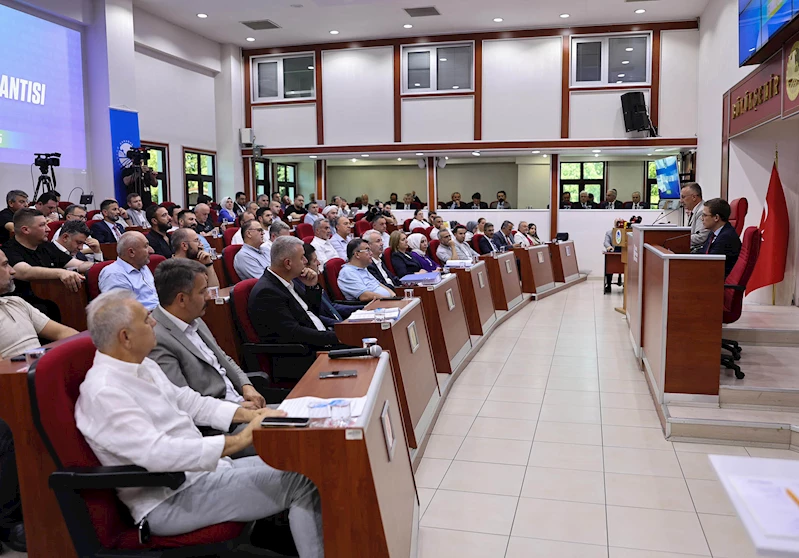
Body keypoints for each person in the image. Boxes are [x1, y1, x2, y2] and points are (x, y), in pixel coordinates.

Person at [74, 290, 323, 555]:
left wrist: (252, 416)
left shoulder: (142, 365)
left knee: (307, 464)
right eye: (146, 320)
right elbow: (158, 453)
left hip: (201, 475)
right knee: (303, 482)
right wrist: (240, 439)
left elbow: (191, 402)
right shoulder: (105, 391)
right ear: (125, 337)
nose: (154, 322)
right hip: (169, 498)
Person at [150, 258, 264, 412]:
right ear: (181, 299)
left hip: (242, 403)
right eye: (203, 291)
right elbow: (184, 404)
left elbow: (224, 358)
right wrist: (237, 408)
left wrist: (246, 386)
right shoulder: (156, 339)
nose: (208, 296)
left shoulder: (194, 318)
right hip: (222, 423)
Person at [249, 236, 348, 380]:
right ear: (288, 263)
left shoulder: (289, 281)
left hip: (319, 342)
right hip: (301, 357)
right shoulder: (267, 292)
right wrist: (337, 337)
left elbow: (310, 314)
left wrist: (312, 286)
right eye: (302, 257)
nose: (306, 262)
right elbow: (294, 333)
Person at [3, 209, 90, 314]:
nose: (48, 229)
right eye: (42, 225)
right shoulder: (8, 250)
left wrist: (98, 267)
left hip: (54, 299)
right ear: (26, 230)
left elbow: (79, 265)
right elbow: (24, 271)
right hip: (25, 307)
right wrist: (61, 272)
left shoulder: (46, 246)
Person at [0, 247, 79, 359]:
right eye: (5, 265)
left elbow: (62, 333)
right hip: (21, 374)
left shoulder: (16, 302)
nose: (12, 271)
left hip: (41, 369)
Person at [297, 244, 359, 326]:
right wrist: (342, 325)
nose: (319, 263)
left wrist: (361, 309)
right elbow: (316, 316)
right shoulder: (299, 288)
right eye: (315, 260)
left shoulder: (312, 280)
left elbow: (331, 307)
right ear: (305, 265)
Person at [98, 231, 158, 310]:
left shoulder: (142, 265)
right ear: (131, 252)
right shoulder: (114, 275)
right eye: (146, 246)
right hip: (144, 319)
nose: (151, 250)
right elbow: (123, 312)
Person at [701, 198, 741, 277]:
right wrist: (678, 256)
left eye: (705, 215)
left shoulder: (726, 237)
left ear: (716, 218)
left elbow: (710, 262)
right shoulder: (713, 233)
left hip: (718, 281)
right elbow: (702, 253)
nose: (701, 218)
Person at [681, 182, 709, 253]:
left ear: (694, 197)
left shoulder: (702, 211)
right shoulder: (694, 210)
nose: (681, 201)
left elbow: (701, 237)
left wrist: (679, 240)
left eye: (683, 197)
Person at [603, 218, 625, 293]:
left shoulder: (626, 232)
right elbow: (606, 242)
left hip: (624, 254)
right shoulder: (609, 232)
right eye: (617, 222)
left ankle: (627, 285)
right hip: (613, 254)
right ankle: (608, 284)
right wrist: (609, 247)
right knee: (609, 267)